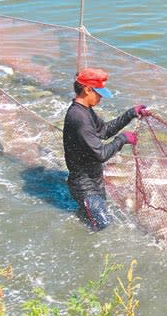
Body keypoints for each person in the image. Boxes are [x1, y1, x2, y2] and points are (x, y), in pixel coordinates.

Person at [63, 68, 150, 231]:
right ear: (87, 89)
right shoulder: (78, 118)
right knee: (104, 225)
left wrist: (130, 114)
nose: (101, 96)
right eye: (98, 92)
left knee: (93, 220)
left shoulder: (86, 111)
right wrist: (122, 139)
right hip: (84, 185)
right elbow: (101, 154)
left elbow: (104, 131)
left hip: (95, 180)